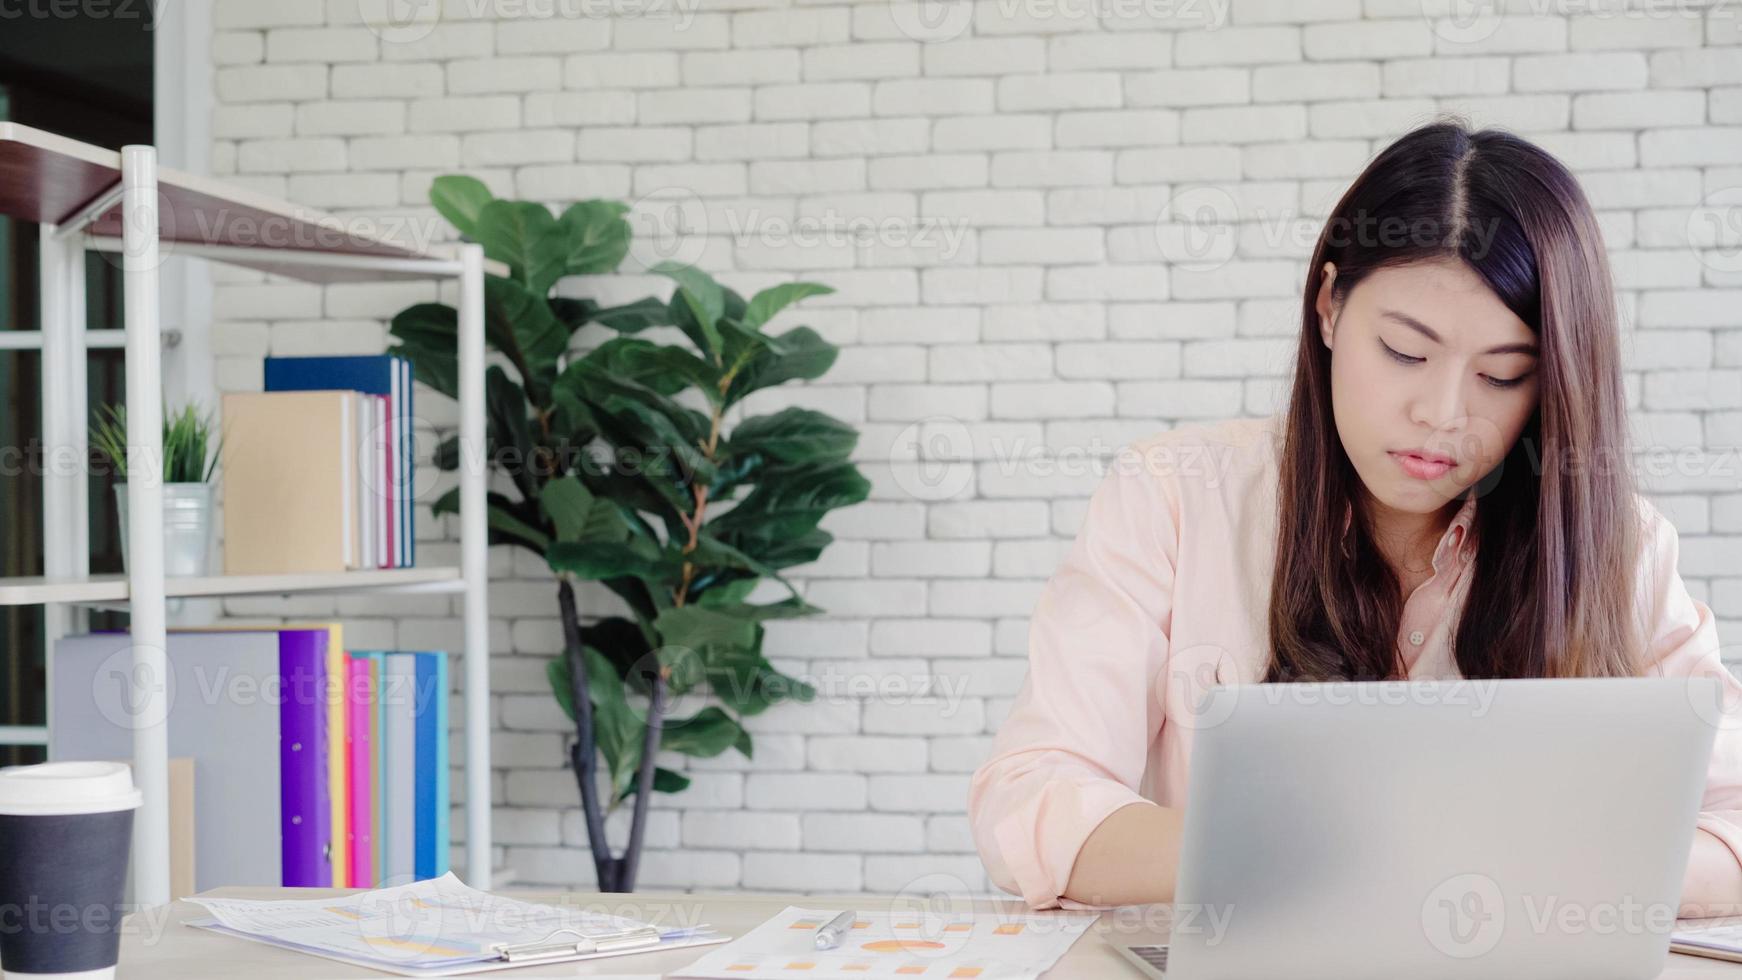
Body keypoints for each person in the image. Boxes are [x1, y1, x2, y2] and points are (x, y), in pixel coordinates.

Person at [967, 119, 1742, 916]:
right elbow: (1030, 793)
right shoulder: (1175, 497)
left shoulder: (1620, 547)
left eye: (1503, 376)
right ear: (1330, 307)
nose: (1444, 415)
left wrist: (1533, 873)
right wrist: (1294, 855)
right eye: (1406, 352)